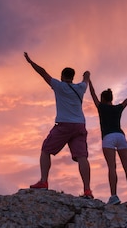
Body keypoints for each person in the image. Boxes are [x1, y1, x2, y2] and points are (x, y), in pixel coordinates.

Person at [24, 52, 94, 199]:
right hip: (80, 125)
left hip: (64, 125)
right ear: (72, 77)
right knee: (82, 157)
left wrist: (31, 62)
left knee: (45, 149)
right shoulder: (80, 88)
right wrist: (87, 74)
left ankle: (43, 181)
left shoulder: (58, 86)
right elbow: (86, 78)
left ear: (62, 76)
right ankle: (87, 190)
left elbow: (43, 73)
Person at [88, 77, 127, 205]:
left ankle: (114, 196)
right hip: (120, 136)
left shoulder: (101, 107)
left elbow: (92, 94)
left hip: (108, 137)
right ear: (111, 99)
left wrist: (89, 81)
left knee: (112, 167)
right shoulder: (118, 108)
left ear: (103, 99)